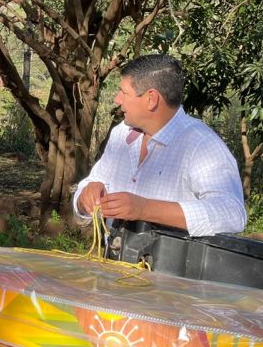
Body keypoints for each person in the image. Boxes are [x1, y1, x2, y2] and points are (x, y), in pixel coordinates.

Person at [73, 54, 246, 236]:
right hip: (113, 262)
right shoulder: (121, 133)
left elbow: (231, 213)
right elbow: (91, 185)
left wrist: (145, 209)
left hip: (169, 265)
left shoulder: (201, 145)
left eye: (124, 93)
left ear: (151, 99)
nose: (117, 100)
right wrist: (85, 197)